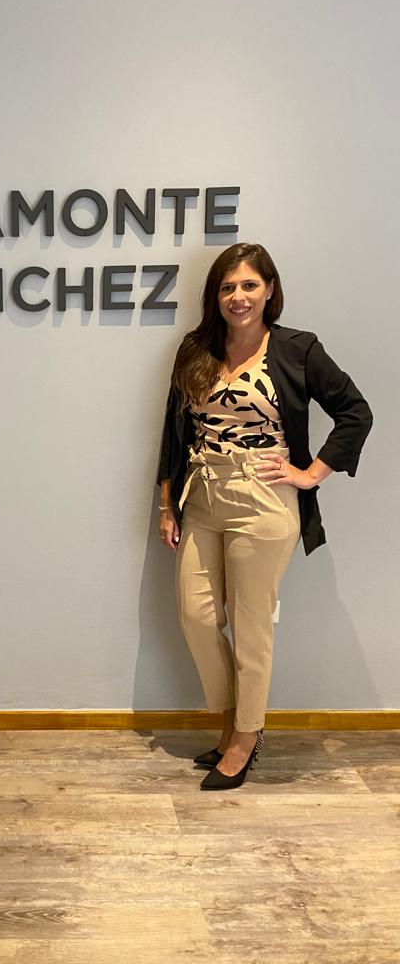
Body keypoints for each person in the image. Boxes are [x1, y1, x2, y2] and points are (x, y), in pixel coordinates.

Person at [157, 243, 372, 790]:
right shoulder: (196, 349)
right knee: (197, 616)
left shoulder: (298, 349)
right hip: (202, 494)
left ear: (270, 290)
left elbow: (355, 412)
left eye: (250, 285)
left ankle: (246, 737)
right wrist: (165, 502)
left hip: (265, 498)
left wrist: (312, 473)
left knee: (251, 627)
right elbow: (174, 432)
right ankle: (234, 721)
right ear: (216, 296)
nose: (238, 296)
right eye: (228, 287)